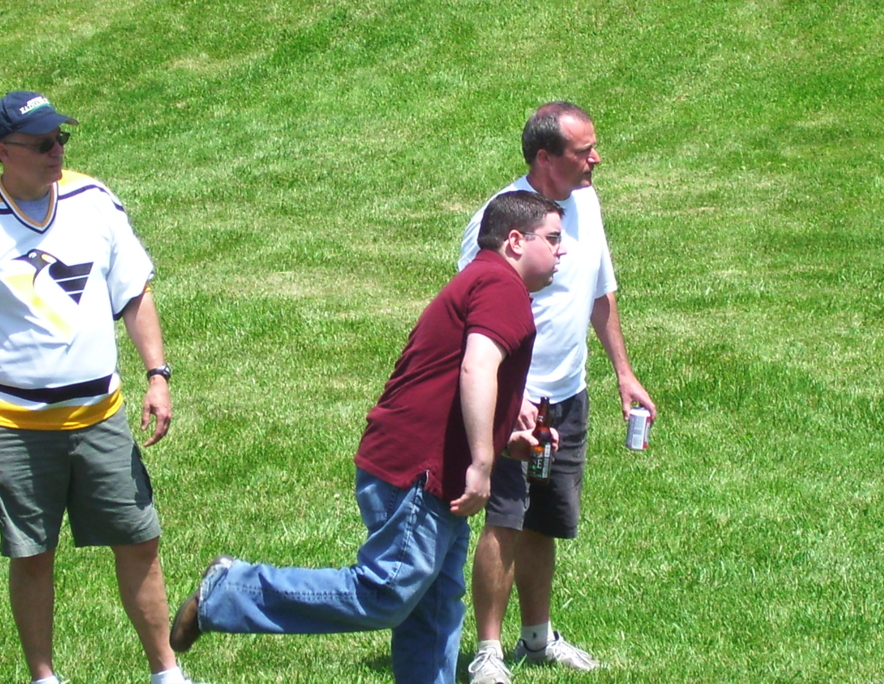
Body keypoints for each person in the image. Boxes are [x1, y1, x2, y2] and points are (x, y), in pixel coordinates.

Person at [168, 190, 566, 684]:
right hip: (419, 471)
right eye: (553, 238)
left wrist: (505, 443)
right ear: (515, 241)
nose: (562, 250)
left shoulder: (484, 280)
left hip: (421, 467)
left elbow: (444, 385)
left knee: (433, 608)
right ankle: (230, 592)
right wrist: (483, 465)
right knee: (385, 592)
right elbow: (476, 367)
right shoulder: (500, 285)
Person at [0, 91, 190, 684]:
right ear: (2, 152)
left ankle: (166, 673)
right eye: (42, 144)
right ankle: (44, 678)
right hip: (14, 425)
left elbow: (133, 290)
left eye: (61, 139)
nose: (57, 151)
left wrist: (157, 374)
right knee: (32, 555)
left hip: (100, 416)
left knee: (140, 541)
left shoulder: (92, 201)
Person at [459, 101, 657, 684]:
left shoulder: (585, 202)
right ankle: (488, 652)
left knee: (545, 519)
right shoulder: (500, 220)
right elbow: (469, 315)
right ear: (545, 158)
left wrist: (623, 372)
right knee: (505, 518)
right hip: (514, 400)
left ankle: (537, 637)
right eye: (583, 151)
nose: (597, 159)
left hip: (568, 395)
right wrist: (508, 395)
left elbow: (600, 290)